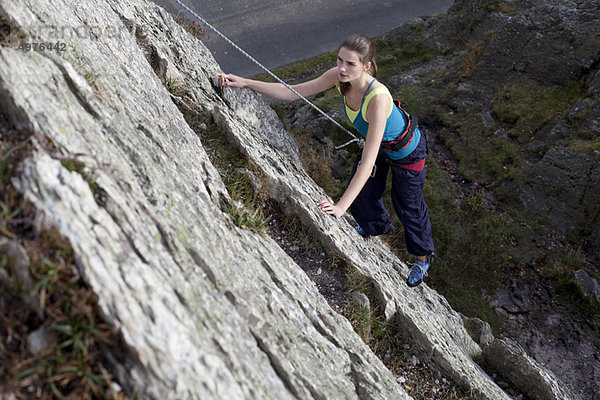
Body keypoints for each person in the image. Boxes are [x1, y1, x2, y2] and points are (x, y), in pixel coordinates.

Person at [215, 34, 434, 287]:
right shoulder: (338, 77)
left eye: (350, 64)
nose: (342, 68)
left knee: (407, 203)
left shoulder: (378, 100)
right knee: (363, 197)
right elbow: (292, 92)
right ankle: (376, 227)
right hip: (382, 145)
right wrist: (246, 82)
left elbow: (368, 161)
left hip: (407, 151)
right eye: (340, 60)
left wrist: (340, 208)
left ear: (366, 66)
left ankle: (422, 258)